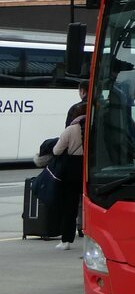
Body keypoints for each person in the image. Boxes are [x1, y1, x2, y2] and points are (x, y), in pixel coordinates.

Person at [49, 107, 86, 250]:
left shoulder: (71, 129)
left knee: (70, 206)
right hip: (90, 170)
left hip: (72, 171)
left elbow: (56, 150)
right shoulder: (95, 127)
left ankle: (66, 241)